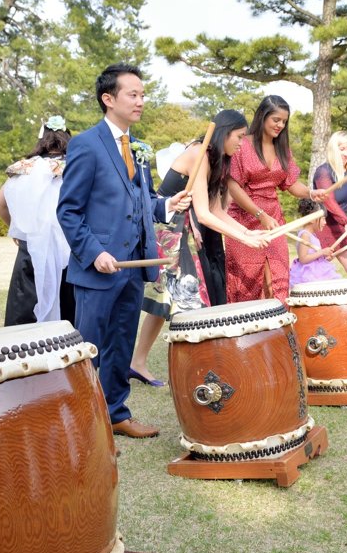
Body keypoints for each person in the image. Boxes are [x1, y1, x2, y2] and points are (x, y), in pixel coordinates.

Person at [57, 63, 190, 439]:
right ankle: (85, 425)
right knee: (91, 348)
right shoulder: (85, 143)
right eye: (133, 94)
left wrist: (167, 205)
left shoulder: (137, 148)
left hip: (134, 267)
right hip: (99, 269)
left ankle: (116, 413)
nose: (141, 101)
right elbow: (68, 211)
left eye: (143, 95)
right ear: (108, 98)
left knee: (121, 344)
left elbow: (143, 199)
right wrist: (94, 252)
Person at [131, 110, 268, 386]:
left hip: (186, 230)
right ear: (224, 132)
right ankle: (198, 370)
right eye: (239, 137)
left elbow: (215, 209)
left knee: (167, 301)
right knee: (184, 299)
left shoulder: (214, 158)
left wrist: (248, 231)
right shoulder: (199, 153)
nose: (241, 143)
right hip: (170, 230)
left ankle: (138, 362)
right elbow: (204, 214)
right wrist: (245, 239)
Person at [226, 95, 327, 304]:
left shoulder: (283, 148)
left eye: (284, 121)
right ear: (262, 116)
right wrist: (259, 214)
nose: (280, 125)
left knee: (278, 281)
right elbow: (233, 187)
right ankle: (249, 335)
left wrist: (310, 193)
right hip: (244, 222)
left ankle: (278, 333)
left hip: (274, 221)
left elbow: (289, 184)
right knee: (248, 286)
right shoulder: (242, 145)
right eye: (276, 120)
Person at [0, 116, 76, 326]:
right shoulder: (76, 166)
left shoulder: (23, 168)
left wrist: (17, 230)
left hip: (31, 246)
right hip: (71, 251)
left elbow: (0, 203)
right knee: (70, 316)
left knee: (24, 315)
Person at [312, 131, 347, 277]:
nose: (346, 153)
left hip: (342, 229)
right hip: (322, 228)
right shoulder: (323, 171)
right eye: (342, 149)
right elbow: (328, 200)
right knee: (318, 280)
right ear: (333, 149)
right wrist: (346, 222)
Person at [289, 199, 341, 285]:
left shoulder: (312, 235)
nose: (325, 223)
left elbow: (314, 255)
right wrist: (321, 252)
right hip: (309, 274)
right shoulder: (305, 235)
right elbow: (303, 259)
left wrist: (324, 257)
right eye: (323, 219)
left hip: (316, 272)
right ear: (312, 219)